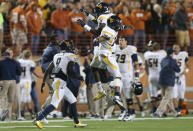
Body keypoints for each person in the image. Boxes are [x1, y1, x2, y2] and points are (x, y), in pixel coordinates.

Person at [33, 40, 87, 129]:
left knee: (73, 100)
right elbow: (70, 71)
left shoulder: (56, 56)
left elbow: (48, 70)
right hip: (60, 83)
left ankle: (77, 122)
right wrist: (78, 77)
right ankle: (38, 119)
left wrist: (43, 82)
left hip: (59, 82)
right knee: (54, 104)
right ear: (68, 47)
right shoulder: (70, 56)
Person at [114, 36, 142, 121]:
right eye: (119, 40)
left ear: (126, 42)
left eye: (122, 40)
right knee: (116, 96)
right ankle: (124, 111)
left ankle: (131, 113)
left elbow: (136, 63)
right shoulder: (115, 48)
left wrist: (136, 77)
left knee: (128, 96)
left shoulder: (131, 49)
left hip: (127, 76)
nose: (120, 42)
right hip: (118, 75)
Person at [154, 48, 180, 117]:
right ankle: (158, 112)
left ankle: (175, 113)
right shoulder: (173, 61)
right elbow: (178, 70)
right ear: (172, 54)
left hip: (162, 80)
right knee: (166, 98)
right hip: (169, 81)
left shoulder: (163, 60)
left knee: (168, 98)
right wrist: (176, 63)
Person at [18, 50, 42, 119]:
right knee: (24, 99)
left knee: (28, 99)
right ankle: (19, 115)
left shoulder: (20, 61)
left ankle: (32, 114)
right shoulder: (30, 62)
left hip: (21, 81)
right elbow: (35, 73)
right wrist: (42, 76)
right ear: (30, 56)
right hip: (27, 82)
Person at [144, 41, 166, 115]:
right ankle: (161, 111)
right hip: (159, 75)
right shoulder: (162, 53)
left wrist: (148, 74)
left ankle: (154, 110)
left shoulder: (147, 54)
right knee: (161, 93)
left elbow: (146, 66)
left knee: (153, 95)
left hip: (151, 76)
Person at [0, 50, 22, 121]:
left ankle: (2, 111)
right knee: (10, 99)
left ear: (4, 55)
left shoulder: (1, 62)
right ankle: (7, 117)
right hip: (13, 81)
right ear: (9, 55)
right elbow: (19, 72)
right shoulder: (15, 62)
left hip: (3, 81)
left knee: (2, 97)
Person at [172, 44, 189, 115]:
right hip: (173, 78)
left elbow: (187, 66)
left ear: (179, 48)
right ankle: (176, 111)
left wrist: (186, 70)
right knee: (174, 95)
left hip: (181, 77)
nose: (175, 49)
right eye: (174, 48)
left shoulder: (183, 54)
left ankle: (179, 108)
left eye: (176, 48)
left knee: (182, 96)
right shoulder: (170, 55)